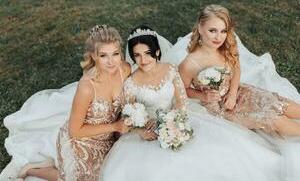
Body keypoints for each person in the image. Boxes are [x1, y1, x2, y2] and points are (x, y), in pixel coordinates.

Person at [100, 25, 281, 181]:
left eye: (147, 53)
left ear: (156, 51)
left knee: (212, 155)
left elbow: (181, 99)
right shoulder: (132, 82)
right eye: (137, 55)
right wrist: (140, 131)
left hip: (177, 118)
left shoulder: (170, 70)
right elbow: (128, 113)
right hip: (148, 129)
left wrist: (173, 122)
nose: (143, 60)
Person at [16, 24, 131, 181]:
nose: (111, 62)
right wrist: (114, 126)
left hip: (109, 139)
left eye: (115, 54)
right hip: (81, 142)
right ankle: (34, 169)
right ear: (93, 56)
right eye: (104, 55)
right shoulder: (87, 86)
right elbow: (75, 131)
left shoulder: (124, 70)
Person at [179, 4, 300, 137]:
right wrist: (204, 96)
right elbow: (182, 89)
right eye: (212, 30)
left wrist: (232, 93)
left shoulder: (226, 47)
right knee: (274, 119)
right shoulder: (189, 64)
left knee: (277, 102)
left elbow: (236, 68)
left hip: (238, 91)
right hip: (222, 106)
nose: (218, 37)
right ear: (200, 28)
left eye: (223, 31)